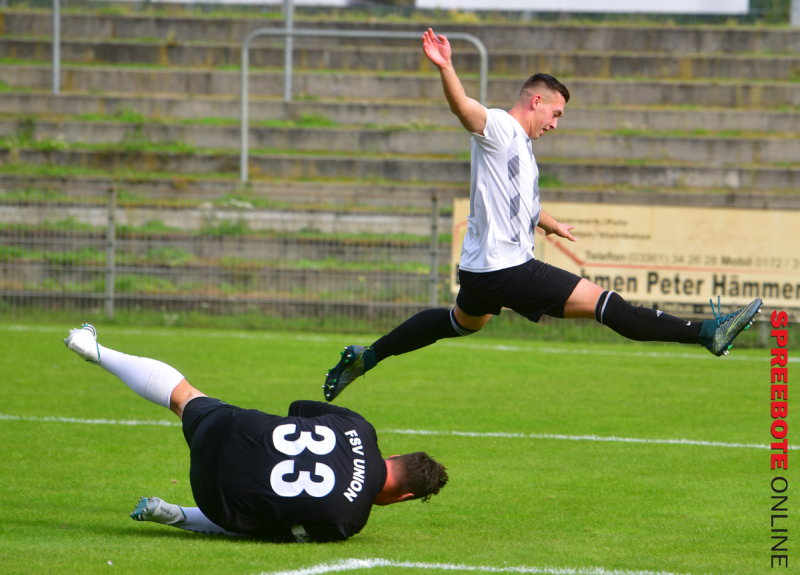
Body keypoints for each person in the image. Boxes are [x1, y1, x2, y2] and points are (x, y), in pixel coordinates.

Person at [322, 28, 762, 402]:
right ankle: (706, 332)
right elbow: (463, 109)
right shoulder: (501, 128)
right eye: (555, 113)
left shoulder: (523, 150)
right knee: (607, 305)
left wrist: (551, 224)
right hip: (507, 268)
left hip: (479, 270)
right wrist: (446, 67)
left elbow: (524, 205)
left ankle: (367, 356)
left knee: (459, 322)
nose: (555, 123)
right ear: (536, 101)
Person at [63, 324, 447, 542]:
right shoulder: (349, 522)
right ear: (404, 497)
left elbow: (298, 409)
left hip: (230, 433)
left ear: (394, 456)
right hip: (218, 498)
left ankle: (98, 350)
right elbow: (276, 532)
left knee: (184, 397)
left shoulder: (361, 427)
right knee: (262, 519)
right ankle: (177, 515)